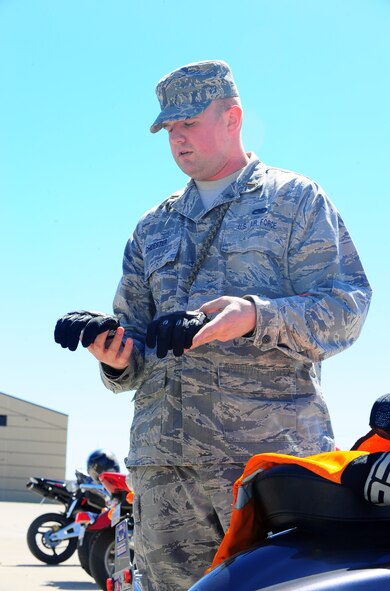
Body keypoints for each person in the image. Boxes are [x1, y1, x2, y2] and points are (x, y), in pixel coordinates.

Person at [54, 60, 372, 591]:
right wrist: (115, 355)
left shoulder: (294, 201)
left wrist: (254, 316)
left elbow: (347, 308)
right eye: (168, 130)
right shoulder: (152, 227)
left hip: (264, 471)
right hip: (163, 475)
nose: (177, 139)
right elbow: (136, 343)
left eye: (189, 123)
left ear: (233, 117)